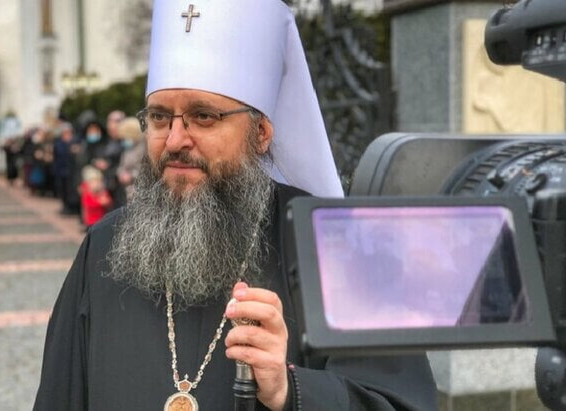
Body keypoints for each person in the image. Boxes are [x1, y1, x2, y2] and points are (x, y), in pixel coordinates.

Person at [34, 0, 437, 410]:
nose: (174, 140)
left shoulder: (345, 247)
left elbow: (400, 404)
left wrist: (290, 391)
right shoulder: (104, 246)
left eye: (203, 116)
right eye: (159, 118)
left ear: (261, 132)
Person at [115, 116, 146, 203]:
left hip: (140, 190)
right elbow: (122, 165)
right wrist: (120, 173)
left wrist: (131, 175)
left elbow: (146, 170)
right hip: (127, 190)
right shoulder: (128, 149)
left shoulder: (144, 149)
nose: (124, 139)